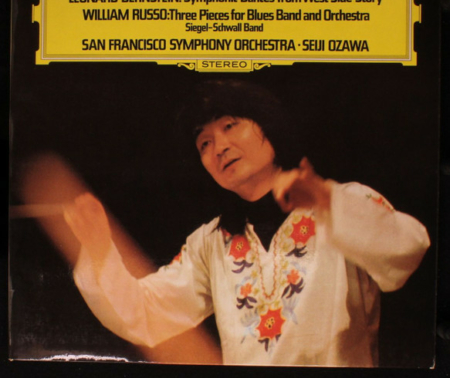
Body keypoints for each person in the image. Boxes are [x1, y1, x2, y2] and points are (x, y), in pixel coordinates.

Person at [65, 79, 430, 366]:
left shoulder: (347, 201)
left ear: (268, 125)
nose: (219, 147)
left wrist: (324, 199)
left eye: (230, 125)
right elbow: (147, 313)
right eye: (204, 143)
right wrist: (98, 248)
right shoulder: (210, 242)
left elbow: (407, 250)